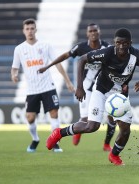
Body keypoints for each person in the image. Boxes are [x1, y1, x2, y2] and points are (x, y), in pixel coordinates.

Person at [46, 28, 139, 166]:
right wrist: (80, 87)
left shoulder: (137, 56)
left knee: (125, 130)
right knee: (92, 126)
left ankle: (114, 155)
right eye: (118, 43)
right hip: (101, 91)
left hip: (120, 96)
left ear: (130, 43)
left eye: (125, 43)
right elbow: (82, 60)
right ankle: (59, 133)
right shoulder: (107, 52)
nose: (121, 46)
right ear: (114, 42)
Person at [38, 23, 116, 151]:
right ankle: (77, 130)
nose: (93, 33)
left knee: (112, 117)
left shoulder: (107, 47)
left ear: (99, 32)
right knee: (86, 120)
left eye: (95, 30)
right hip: (86, 87)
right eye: (90, 31)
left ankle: (107, 144)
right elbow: (65, 55)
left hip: (103, 86)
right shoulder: (81, 47)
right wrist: (48, 66)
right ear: (87, 34)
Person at [11, 18, 74, 153]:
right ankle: (35, 139)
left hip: (48, 86)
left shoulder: (46, 46)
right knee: (30, 117)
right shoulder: (19, 49)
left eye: (32, 28)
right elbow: (14, 67)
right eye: (27, 29)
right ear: (24, 31)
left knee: (54, 113)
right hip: (32, 89)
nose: (30, 31)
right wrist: (14, 75)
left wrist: (68, 82)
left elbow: (57, 63)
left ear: (36, 30)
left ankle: (55, 142)